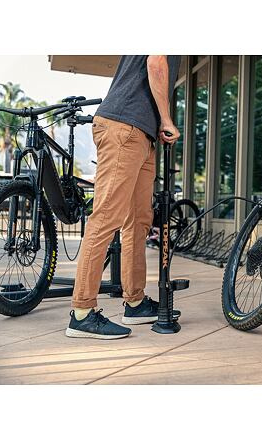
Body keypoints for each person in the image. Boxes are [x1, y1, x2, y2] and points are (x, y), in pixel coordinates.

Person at [65, 55, 181, 339]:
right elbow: (156, 63)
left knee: (138, 222)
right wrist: (166, 119)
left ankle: (135, 302)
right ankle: (82, 313)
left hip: (142, 133)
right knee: (106, 217)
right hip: (124, 127)